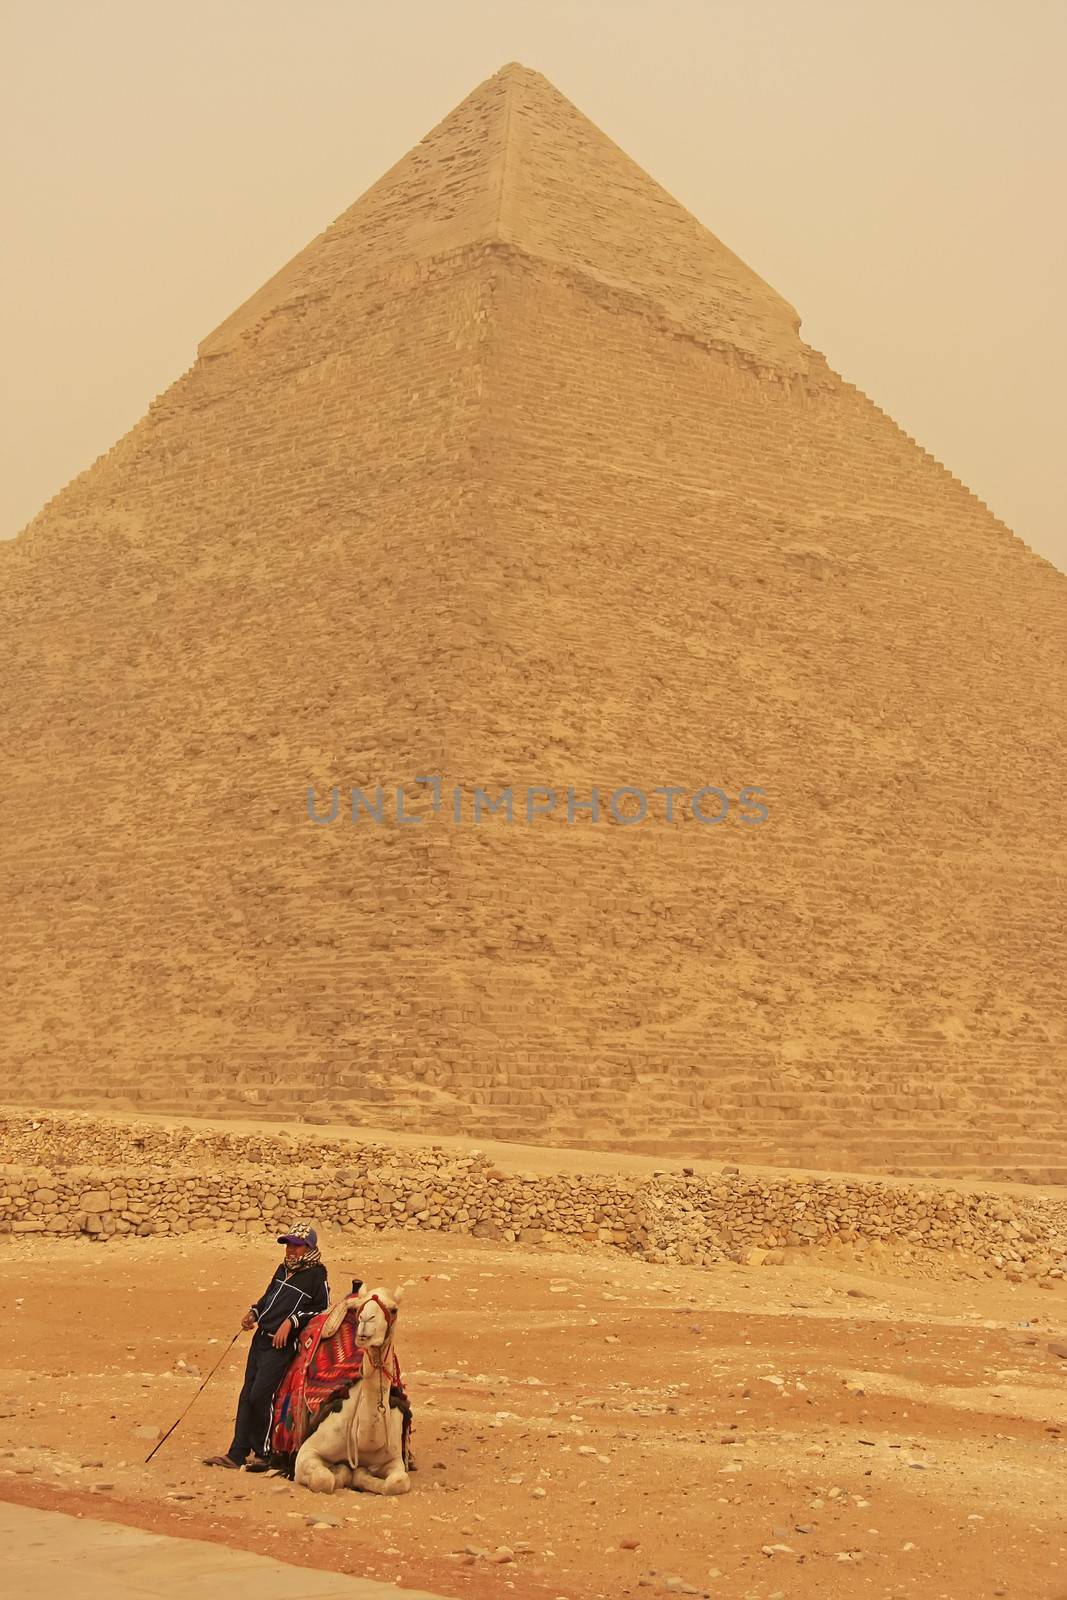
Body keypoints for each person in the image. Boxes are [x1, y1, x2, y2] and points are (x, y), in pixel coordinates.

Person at [204, 1222, 330, 1471]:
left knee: (261, 1395)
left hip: (280, 1344)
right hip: (261, 1338)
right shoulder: (283, 1270)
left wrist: (291, 1323)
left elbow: (322, 1308)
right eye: (288, 1245)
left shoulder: (317, 1275)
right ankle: (237, 1452)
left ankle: (265, 1453)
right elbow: (268, 1297)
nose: (290, 1251)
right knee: (246, 1394)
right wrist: (254, 1312)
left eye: (296, 1246)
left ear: (309, 1248)